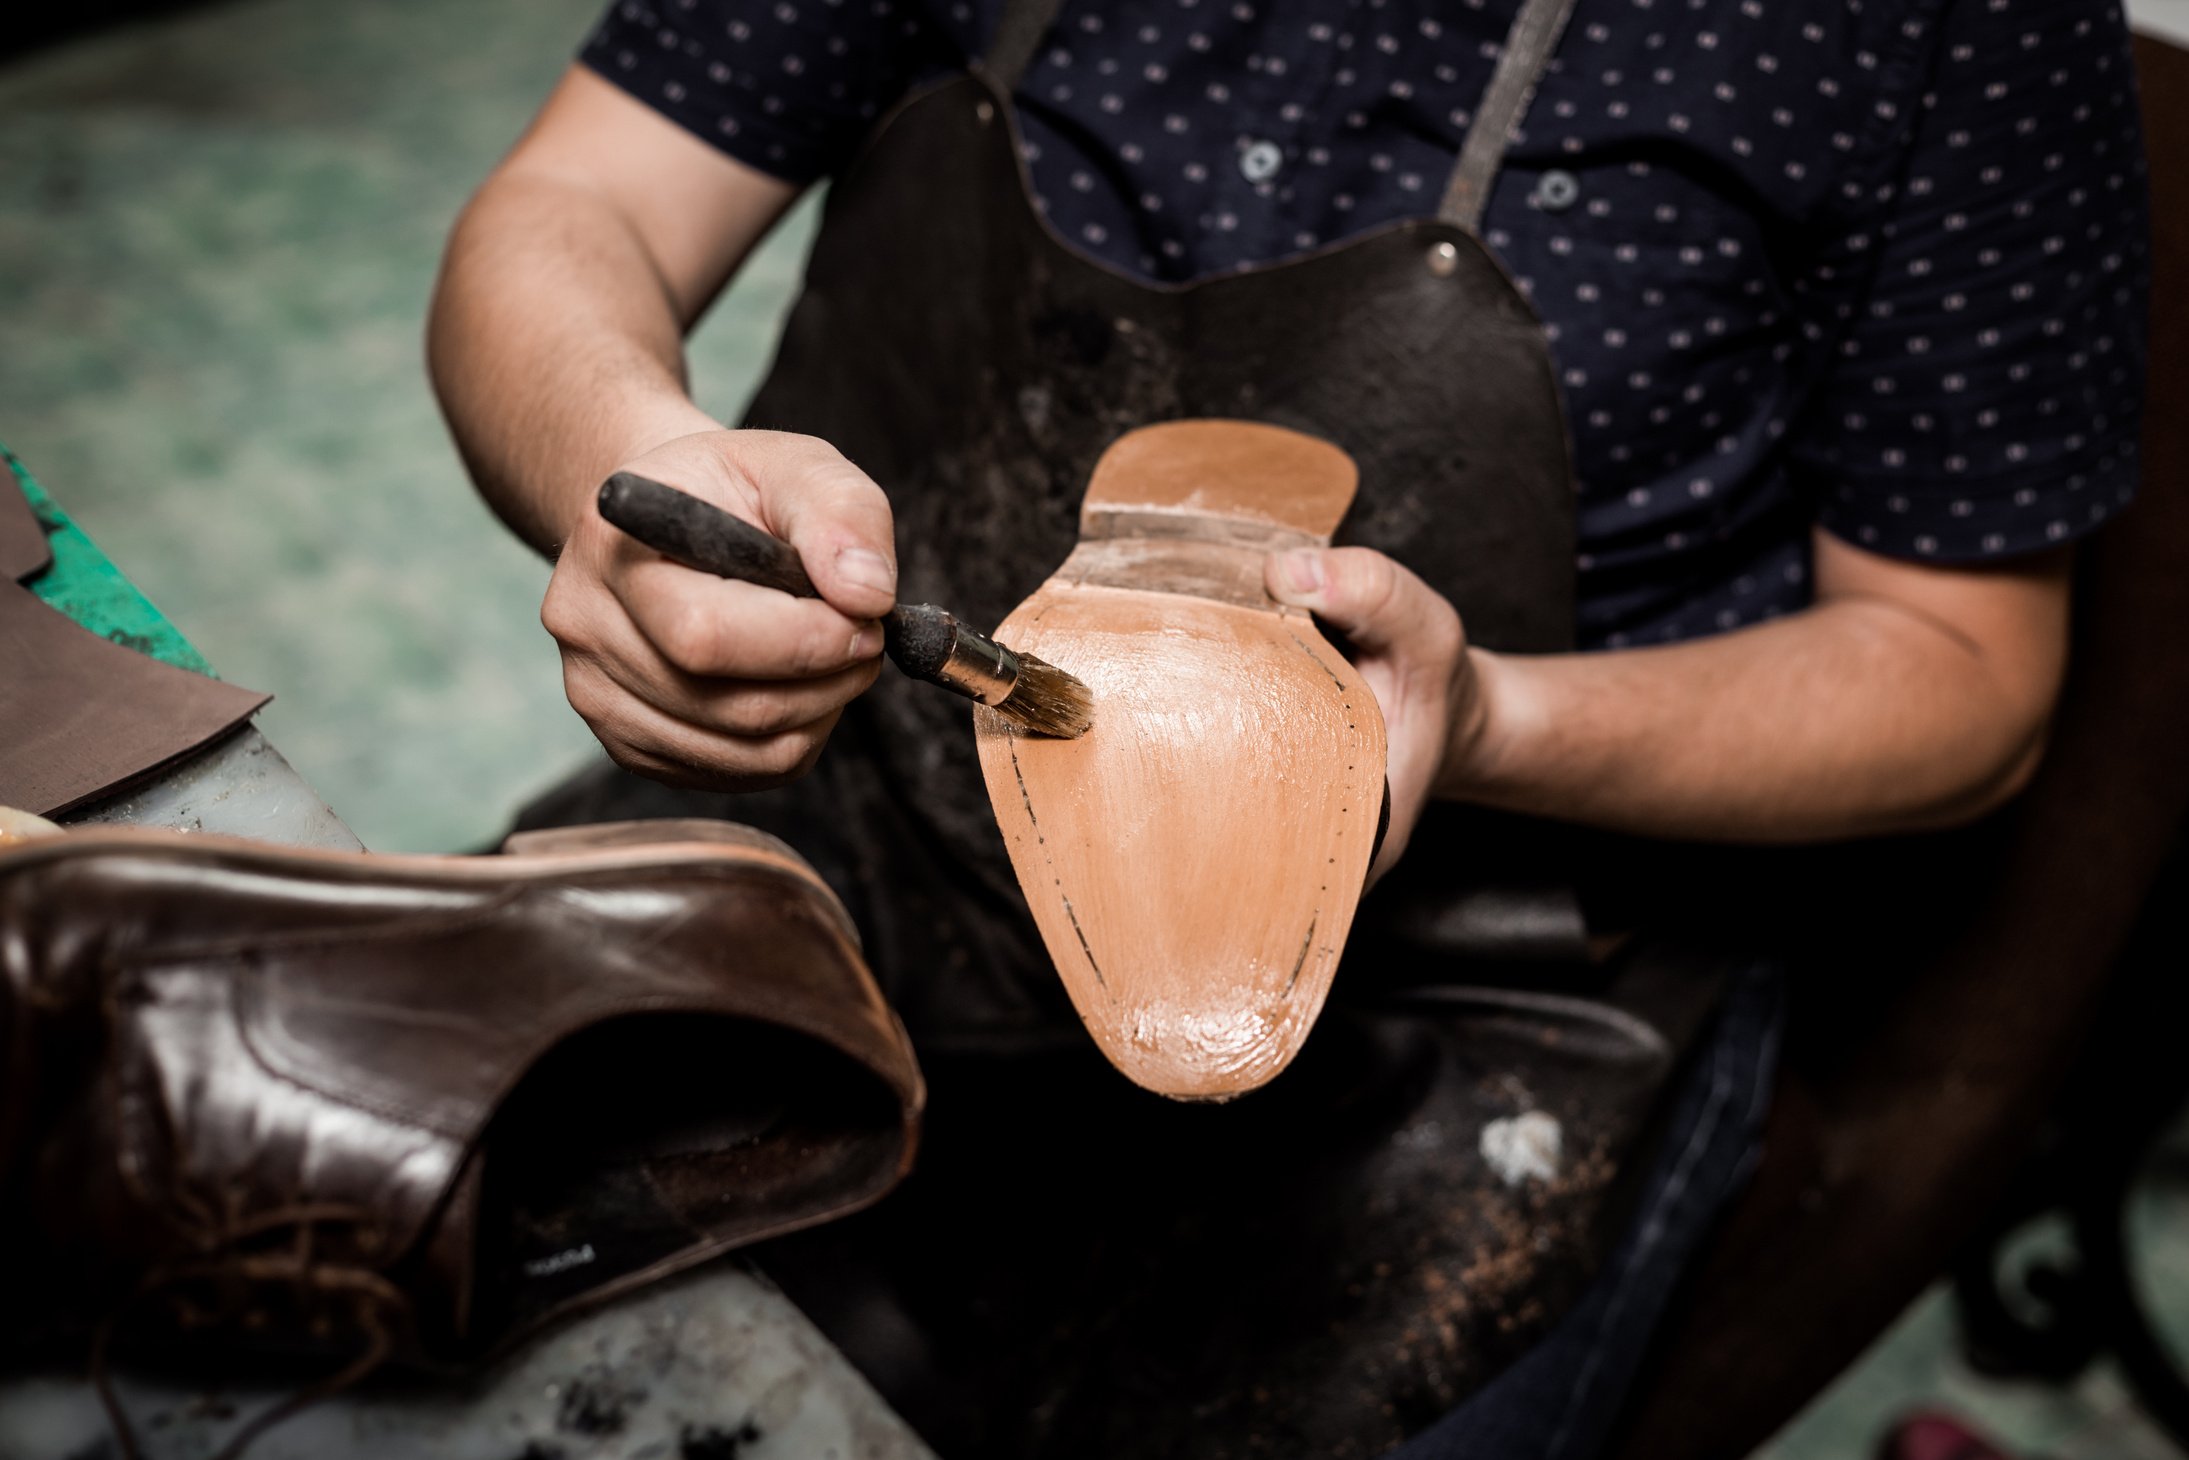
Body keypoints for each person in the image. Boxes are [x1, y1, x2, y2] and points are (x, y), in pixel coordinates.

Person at [425, 0, 2149, 1452]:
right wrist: (627, 465)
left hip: (1483, 977)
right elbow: (583, 201)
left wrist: (1490, 720)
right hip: (852, 806)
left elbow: (1959, 675)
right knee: (407, 1252)